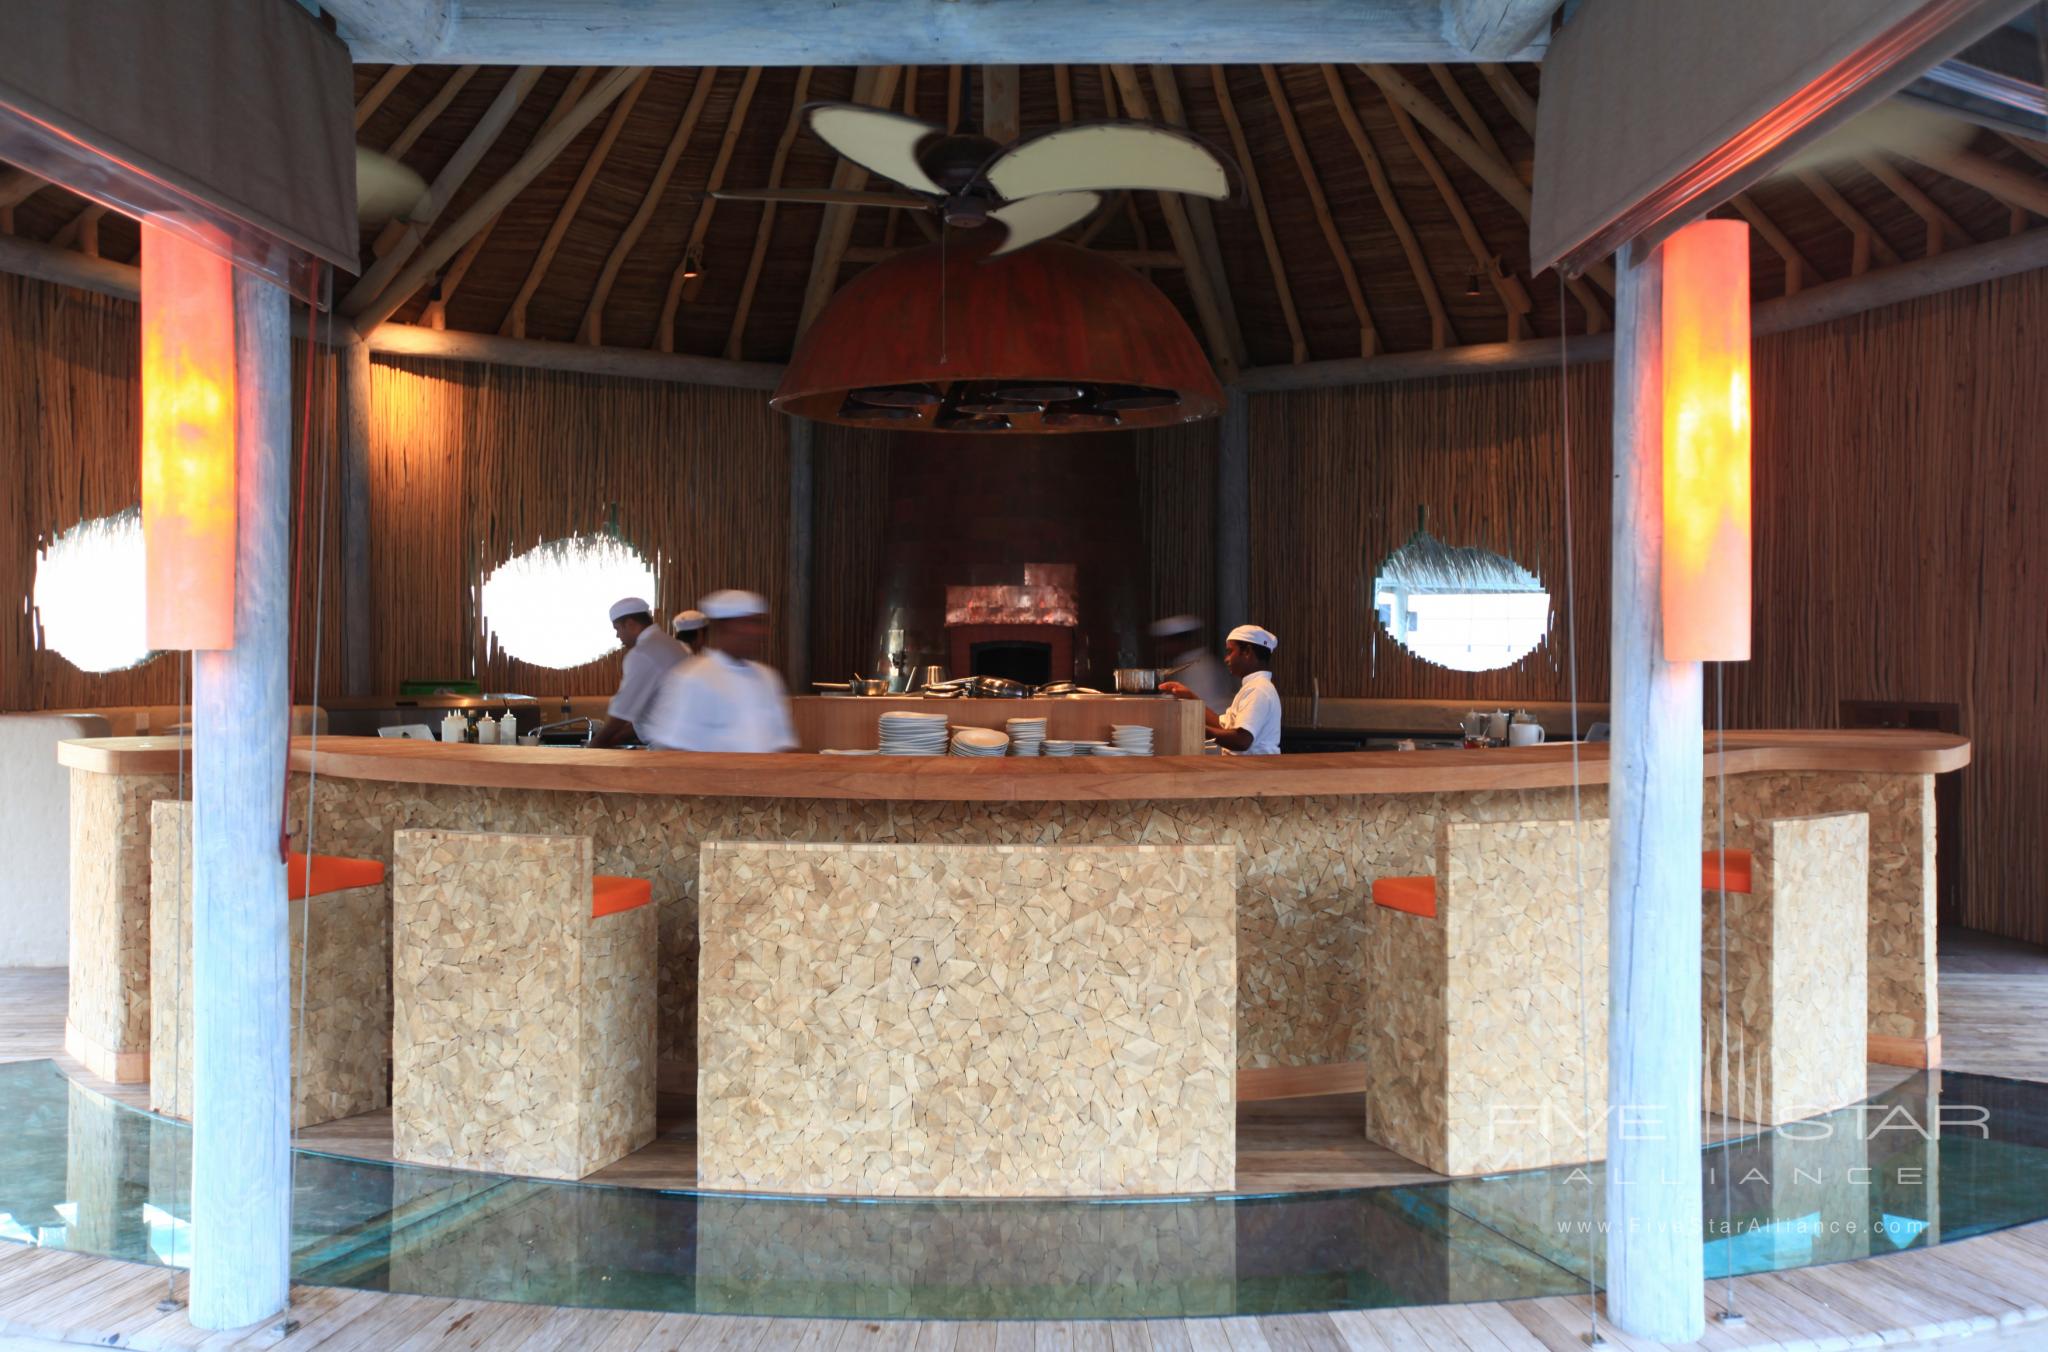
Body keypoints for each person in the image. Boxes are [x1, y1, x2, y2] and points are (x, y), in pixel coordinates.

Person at [641, 589, 798, 753]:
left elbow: (782, 744)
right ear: (723, 627)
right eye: (749, 623)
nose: (759, 632)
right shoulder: (691, 677)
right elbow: (671, 748)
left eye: (760, 623)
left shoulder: (768, 677)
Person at [1161, 624, 1282, 755]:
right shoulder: (1253, 687)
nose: (1226, 659)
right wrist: (1189, 696)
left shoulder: (1258, 689)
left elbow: (1242, 740)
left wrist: (1194, 728)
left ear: (1247, 652)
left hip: (1255, 767)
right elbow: (1222, 726)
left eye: (1230, 652)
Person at [592, 596, 688, 748]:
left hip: (669, 748)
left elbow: (621, 712)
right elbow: (655, 713)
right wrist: (618, 737)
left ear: (630, 624)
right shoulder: (673, 644)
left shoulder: (642, 653)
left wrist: (595, 745)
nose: (617, 635)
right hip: (686, 742)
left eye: (617, 629)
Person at [1148, 614, 1233, 714]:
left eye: (1165, 643)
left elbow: (1197, 706)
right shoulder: (1187, 662)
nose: (1161, 648)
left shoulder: (1200, 668)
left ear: (1180, 642)